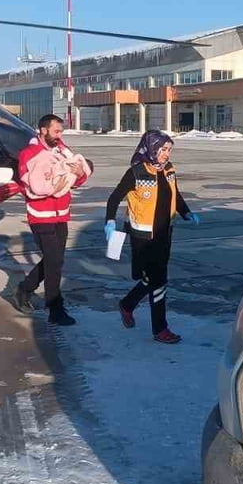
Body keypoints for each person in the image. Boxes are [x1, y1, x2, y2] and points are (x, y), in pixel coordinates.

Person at [104, 130, 199, 344]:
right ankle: (160, 329)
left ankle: (127, 304)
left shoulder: (169, 170)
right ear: (152, 148)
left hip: (165, 233)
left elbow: (176, 193)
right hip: (144, 238)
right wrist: (109, 221)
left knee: (152, 278)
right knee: (159, 281)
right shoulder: (137, 172)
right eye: (163, 149)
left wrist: (186, 212)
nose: (167, 154)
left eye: (169, 150)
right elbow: (114, 198)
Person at [9, 114, 93, 326]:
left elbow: (76, 180)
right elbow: (31, 187)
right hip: (41, 216)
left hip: (61, 214)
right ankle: (55, 308)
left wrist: (80, 172)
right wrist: (51, 188)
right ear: (43, 130)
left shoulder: (62, 150)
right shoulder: (29, 154)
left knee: (54, 260)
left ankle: (24, 289)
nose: (60, 135)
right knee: (54, 261)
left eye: (61, 131)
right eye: (56, 131)